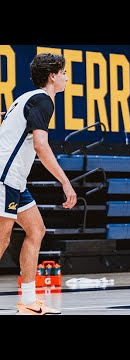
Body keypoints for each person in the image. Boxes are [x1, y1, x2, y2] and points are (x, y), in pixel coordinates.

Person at [0, 53, 77, 315]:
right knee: (2, 238)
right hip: (5, 177)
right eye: (64, 72)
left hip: (16, 179)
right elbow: (41, 146)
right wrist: (66, 182)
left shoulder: (27, 98)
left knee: (36, 230)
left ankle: (29, 302)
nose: (67, 77)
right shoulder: (43, 100)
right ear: (53, 76)